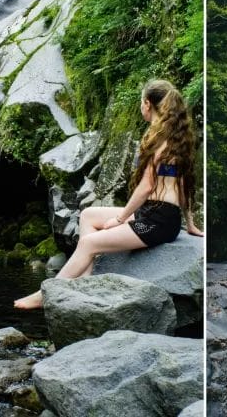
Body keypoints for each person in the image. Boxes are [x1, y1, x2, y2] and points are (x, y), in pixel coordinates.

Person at [14, 79, 203, 309]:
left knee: (88, 243)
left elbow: (146, 187)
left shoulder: (159, 141)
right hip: (158, 215)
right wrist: (189, 223)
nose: (140, 107)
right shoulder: (174, 138)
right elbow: (183, 186)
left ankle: (46, 293)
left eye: (140, 103)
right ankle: (85, 279)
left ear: (147, 104)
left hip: (156, 222)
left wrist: (120, 219)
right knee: (88, 216)